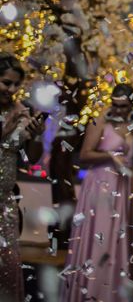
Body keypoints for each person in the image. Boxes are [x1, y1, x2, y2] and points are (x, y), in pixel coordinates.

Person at [60, 83, 133, 302]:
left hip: (122, 188)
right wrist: (111, 156)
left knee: (117, 239)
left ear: (131, 104)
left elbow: (132, 161)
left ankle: (112, 292)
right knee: (99, 237)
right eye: (115, 105)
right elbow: (84, 155)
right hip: (101, 185)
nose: (119, 110)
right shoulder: (100, 120)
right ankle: (90, 291)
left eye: (124, 106)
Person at [0, 53, 45, 301]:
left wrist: (36, 135)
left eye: (17, 84)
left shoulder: (21, 111)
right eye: (7, 82)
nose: (12, 89)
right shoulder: (13, 115)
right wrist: (8, 127)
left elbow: (32, 160)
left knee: (5, 268)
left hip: (4, 202)